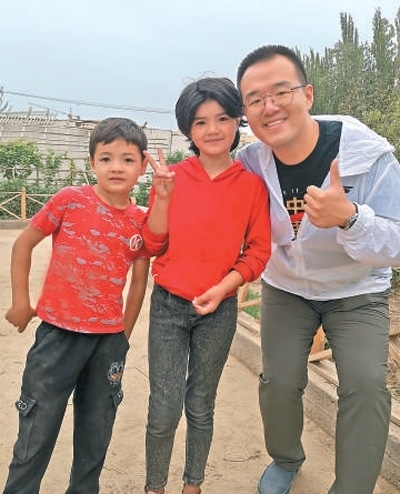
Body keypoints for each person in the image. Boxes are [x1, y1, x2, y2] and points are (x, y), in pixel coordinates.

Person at [235, 44, 400, 494]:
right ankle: (286, 458)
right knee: (278, 381)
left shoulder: (369, 156)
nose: (269, 106)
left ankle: (351, 487)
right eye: (255, 99)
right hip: (286, 287)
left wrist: (351, 219)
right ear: (246, 113)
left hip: (356, 290)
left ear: (307, 94)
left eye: (281, 91)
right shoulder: (251, 162)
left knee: (366, 386)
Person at [2, 117, 151, 494]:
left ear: (142, 166)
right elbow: (24, 244)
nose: (116, 167)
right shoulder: (70, 200)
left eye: (128, 159)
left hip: (108, 343)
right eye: (106, 158)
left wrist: (123, 336)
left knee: (96, 433)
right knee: (37, 429)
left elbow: (138, 283)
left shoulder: (141, 222)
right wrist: (21, 301)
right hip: (57, 337)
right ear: (92, 162)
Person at [141, 77, 271, 494]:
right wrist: (162, 197)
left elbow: (258, 251)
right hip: (168, 306)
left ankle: (192, 485)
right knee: (164, 408)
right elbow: (152, 244)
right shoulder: (172, 177)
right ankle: (154, 487)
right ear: (188, 129)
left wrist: (223, 288)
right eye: (200, 122)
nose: (212, 129)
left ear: (237, 121)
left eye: (222, 118)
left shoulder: (251, 186)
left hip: (219, 310)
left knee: (200, 404)